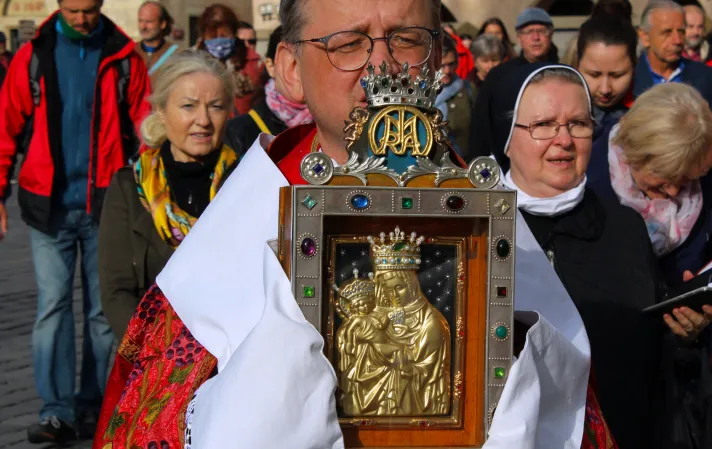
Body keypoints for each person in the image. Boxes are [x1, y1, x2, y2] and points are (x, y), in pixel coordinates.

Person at [93, 0, 597, 447]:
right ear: (290, 69)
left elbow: (569, 413)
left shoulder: (484, 211)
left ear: (440, 55)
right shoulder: (237, 229)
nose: (380, 63)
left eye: (406, 38)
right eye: (348, 43)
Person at [496, 63, 712, 449]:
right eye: (544, 124)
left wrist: (684, 332)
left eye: (578, 123)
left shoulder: (624, 227)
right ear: (509, 137)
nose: (563, 140)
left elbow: (651, 357)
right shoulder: (479, 229)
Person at [0, 0, 151, 444]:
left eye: (87, 9)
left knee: (102, 312)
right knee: (52, 306)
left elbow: (145, 125)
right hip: (48, 203)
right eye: (72, 9)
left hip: (106, 204)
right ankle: (55, 410)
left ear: (100, 5)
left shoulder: (124, 56)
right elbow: (6, 124)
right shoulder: (35, 54)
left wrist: (146, 192)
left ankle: (93, 405)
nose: (81, 18)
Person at [589, 82, 712, 375]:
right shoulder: (589, 183)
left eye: (685, 180)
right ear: (634, 152)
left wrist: (703, 318)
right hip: (600, 366)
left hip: (677, 367)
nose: (673, 191)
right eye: (663, 176)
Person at [99, 50, 239, 339]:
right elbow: (116, 289)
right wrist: (155, 355)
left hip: (228, 355)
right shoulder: (130, 186)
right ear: (161, 111)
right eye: (188, 106)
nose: (203, 120)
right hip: (150, 358)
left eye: (215, 106)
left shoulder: (244, 180)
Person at [634, 0, 712, 201]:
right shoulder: (629, 78)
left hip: (695, 192)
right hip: (642, 194)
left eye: (681, 31)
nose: (677, 40)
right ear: (645, 36)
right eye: (666, 32)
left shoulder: (707, 79)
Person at [465, 8, 559, 166]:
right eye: (529, 31)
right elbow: (481, 125)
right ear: (519, 37)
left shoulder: (563, 74)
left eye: (541, 31)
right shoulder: (500, 75)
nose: (535, 37)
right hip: (507, 164)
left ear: (550, 34)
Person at [223, 26, 310, 154]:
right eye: (293, 63)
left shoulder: (337, 123)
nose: (301, 72)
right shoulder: (238, 132)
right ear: (271, 67)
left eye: (309, 63)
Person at [197, 4, 267, 116]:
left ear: (234, 34)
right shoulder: (193, 64)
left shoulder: (253, 62)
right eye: (213, 37)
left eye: (224, 36)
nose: (219, 42)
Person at [576, 15, 637, 140]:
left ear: (634, 65)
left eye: (617, 75)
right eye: (594, 75)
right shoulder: (558, 110)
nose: (605, 89)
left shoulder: (647, 113)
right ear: (578, 64)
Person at [434, 34, 473, 155]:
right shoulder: (419, 93)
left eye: (451, 64)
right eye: (441, 66)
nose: (447, 71)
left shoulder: (467, 89)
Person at [135, 1, 180, 81]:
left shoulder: (177, 55)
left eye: (149, 22)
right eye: (140, 21)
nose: (143, 27)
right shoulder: (130, 53)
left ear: (162, 24)